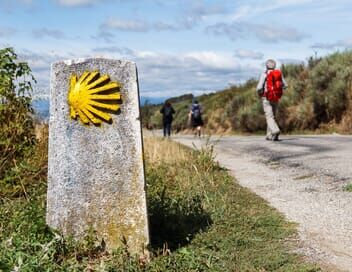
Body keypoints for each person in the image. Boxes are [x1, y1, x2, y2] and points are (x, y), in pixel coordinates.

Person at [256, 59, 287, 141]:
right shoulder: (279, 74)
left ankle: (275, 130)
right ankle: (269, 135)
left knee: (269, 116)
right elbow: (285, 85)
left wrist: (260, 93)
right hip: (276, 98)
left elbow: (259, 87)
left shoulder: (264, 74)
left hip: (266, 98)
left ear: (266, 66)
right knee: (273, 116)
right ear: (275, 66)